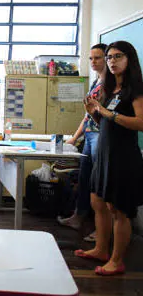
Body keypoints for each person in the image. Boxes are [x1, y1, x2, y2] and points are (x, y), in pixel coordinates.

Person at [75, 41, 143, 276]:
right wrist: (94, 114)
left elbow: (140, 123)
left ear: (129, 59)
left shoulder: (134, 90)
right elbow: (105, 123)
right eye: (109, 57)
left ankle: (117, 260)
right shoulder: (109, 89)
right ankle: (101, 249)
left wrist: (107, 113)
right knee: (97, 203)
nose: (112, 61)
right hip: (102, 153)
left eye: (117, 56)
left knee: (118, 210)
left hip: (122, 157)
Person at [58, 43, 108, 242]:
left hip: (101, 136)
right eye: (91, 58)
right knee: (85, 178)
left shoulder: (111, 84)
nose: (93, 62)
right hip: (89, 135)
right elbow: (87, 116)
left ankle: (102, 229)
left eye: (98, 58)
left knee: (99, 183)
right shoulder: (96, 82)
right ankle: (78, 217)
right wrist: (75, 137)